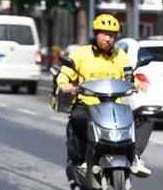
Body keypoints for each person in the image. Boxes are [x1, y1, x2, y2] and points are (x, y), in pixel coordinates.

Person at [57, 13, 153, 177]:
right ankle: (82, 159)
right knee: (77, 118)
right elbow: (65, 73)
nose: (108, 39)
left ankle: (135, 156)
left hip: (113, 105)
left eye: (112, 35)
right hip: (87, 104)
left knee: (145, 118)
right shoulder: (81, 54)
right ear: (96, 34)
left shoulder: (120, 55)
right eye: (105, 34)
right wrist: (65, 84)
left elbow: (130, 75)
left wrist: (138, 83)